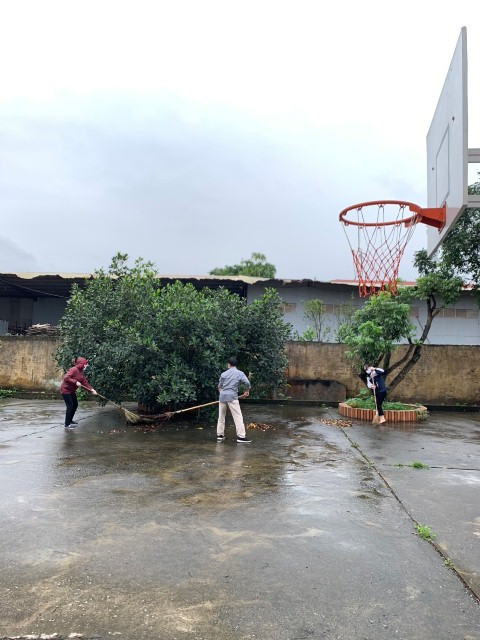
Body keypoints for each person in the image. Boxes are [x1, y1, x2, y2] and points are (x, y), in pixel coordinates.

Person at [217, 357, 252, 443]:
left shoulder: (223, 374)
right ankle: (241, 437)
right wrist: (246, 391)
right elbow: (247, 383)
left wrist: (222, 394)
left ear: (229, 364)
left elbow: (219, 386)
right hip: (232, 397)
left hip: (222, 397)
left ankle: (220, 435)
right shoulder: (240, 373)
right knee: (238, 416)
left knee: (221, 416)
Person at [60, 357, 97, 430]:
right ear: (81, 364)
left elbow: (85, 383)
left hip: (71, 391)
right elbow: (66, 378)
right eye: (85, 364)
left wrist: (92, 390)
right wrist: (75, 382)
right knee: (70, 406)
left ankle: (70, 420)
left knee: (75, 405)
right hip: (66, 390)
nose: (86, 366)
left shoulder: (80, 372)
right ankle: (67, 424)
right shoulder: (73, 369)